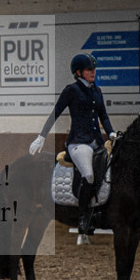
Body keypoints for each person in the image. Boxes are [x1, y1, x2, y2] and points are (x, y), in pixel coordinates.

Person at [29, 53, 116, 235]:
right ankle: (84, 217)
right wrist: (42, 136)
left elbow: (104, 117)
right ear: (78, 72)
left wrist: (111, 133)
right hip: (78, 143)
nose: (93, 72)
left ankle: (100, 210)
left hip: (96, 142)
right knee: (89, 175)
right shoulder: (71, 90)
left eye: (94, 69)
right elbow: (56, 113)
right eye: (89, 69)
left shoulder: (97, 91)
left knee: (107, 170)